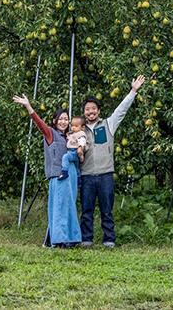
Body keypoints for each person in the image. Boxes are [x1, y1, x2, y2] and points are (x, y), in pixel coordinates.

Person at [80, 75, 146, 248]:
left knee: (106, 210)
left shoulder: (108, 124)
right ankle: (86, 239)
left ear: (99, 111)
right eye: (87, 109)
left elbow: (121, 110)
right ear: (84, 112)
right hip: (86, 176)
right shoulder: (79, 130)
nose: (90, 112)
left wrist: (133, 91)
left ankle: (109, 239)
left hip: (106, 175)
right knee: (86, 210)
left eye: (93, 108)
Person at [12, 95, 81, 248]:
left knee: (69, 207)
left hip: (72, 176)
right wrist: (28, 106)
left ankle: (66, 238)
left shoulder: (71, 137)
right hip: (58, 175)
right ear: (55, 121)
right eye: (60, 119)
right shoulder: (51, 134)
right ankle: (59, 240)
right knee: (58, 208)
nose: (63, 122)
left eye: (66, 119)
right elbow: (38, 122)